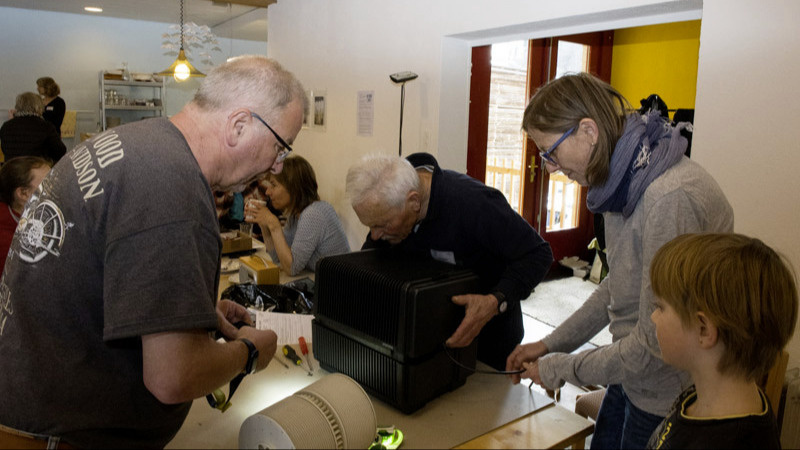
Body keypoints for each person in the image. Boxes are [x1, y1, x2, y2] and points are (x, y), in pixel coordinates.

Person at [0, 55, 307, 448]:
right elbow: (172, 377)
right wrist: (248, 351)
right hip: (56, 431)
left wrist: (189, 311)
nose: (278, 167)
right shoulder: (174, 188)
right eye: (281, 148)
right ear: (240, 125)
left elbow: (101, 273)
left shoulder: (140, 143)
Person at [505, 73, 734, 449]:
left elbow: (654, 346)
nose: (549, 167)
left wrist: (559, 367)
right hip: (631, 377)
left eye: (551, 152)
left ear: (588, 131)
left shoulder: (667, 198)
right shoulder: (619, 181)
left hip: (667, 392)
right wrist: (550, 344)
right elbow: (618, 284)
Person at [345, 152, 553, 370]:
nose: (375, 235)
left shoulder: (473, 203)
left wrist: (495, 301)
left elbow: (538, 254)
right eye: (370, 226)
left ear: (414, 201)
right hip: (427, 342)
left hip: (488, 345)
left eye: (382, 225)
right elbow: (371, 262)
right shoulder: (389, 200)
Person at [647, 233, 797, 449]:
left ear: (704, 329)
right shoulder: (703, 396)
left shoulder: (735, 440)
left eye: (660, 307)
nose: (654, 317)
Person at [245, 154, 350, 275]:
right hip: (323, 281)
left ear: (293, 188)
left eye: (274, 185)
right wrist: (263, 224)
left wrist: (274, 224)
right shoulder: (295, 214)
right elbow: (279, 260)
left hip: (341, 286)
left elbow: (291, 268)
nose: (268, 192)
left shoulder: (314, 213)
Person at [0, 156, 52, 274]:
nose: (55, 189)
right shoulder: (7, 244)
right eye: (48, 184)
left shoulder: (16, 216)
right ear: (23, 194)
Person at [0, 92, 66, 163]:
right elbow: (60, 151)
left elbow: (5, 149)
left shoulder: (6, 126)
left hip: (11, 170)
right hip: (35, 169)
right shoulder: (46, 126)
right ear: (39, 107)